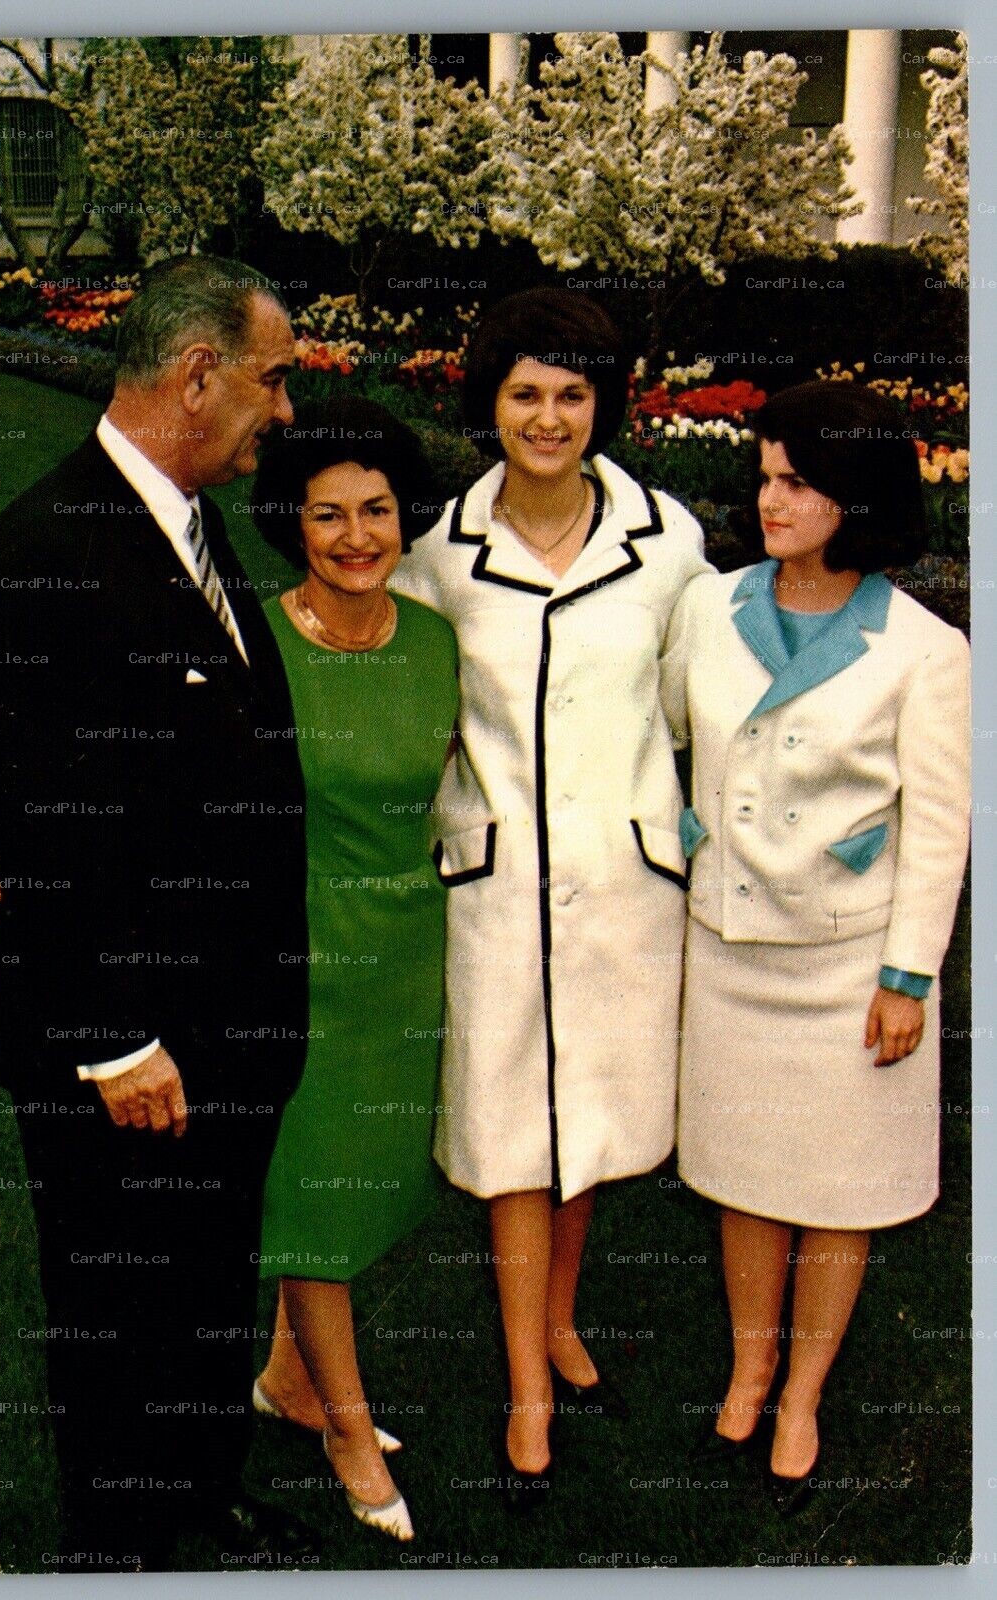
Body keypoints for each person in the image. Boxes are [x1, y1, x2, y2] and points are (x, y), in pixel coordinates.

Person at [0, 256, 317, 1570]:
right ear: (195, 375)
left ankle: (197, 1507)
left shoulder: (184, 516)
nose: (282, 412)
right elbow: (44, 812)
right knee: (124, 1313)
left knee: (197, 1297)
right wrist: (116, 1038)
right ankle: (123, 1550)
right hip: (128, 1055)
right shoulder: (55, 543)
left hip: (217, 1035)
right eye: (271, 380)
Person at [389, 288, 711, 1495]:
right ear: (489, 400)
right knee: (518, 1132)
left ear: (603, 404)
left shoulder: (667, 539)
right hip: (496, 889)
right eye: (525, 392)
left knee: (593, 1123)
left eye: (573, 393)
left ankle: (563, 1317)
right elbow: (416, 716)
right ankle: (528, 1376)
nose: (549, 417)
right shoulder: (441, 557)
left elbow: (691, 704)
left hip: (623, 885)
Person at [659, 380, 971, 1513]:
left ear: (860, 494)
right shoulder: (710, 605)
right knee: (747, 1178)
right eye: (766, 474)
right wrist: (688, 831)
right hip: (732, 945)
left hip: (848, 968)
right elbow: (666, 731)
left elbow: (940, 827)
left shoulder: (926, 650)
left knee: (836, 1189)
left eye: (796, 479)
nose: (771, 496)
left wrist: (907, 977)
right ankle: (748, 1368)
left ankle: (803, 1391)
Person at [243, 400, 458, 1542]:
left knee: (360, 1191)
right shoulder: (253, 643)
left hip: (403, 959)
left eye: (376, 509)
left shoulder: (435, 643)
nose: (357, 535)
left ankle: (286, 1376)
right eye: (328, 513)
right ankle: (346, 1426)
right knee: (315, 1201)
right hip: (292, 961)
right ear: (294, 522)